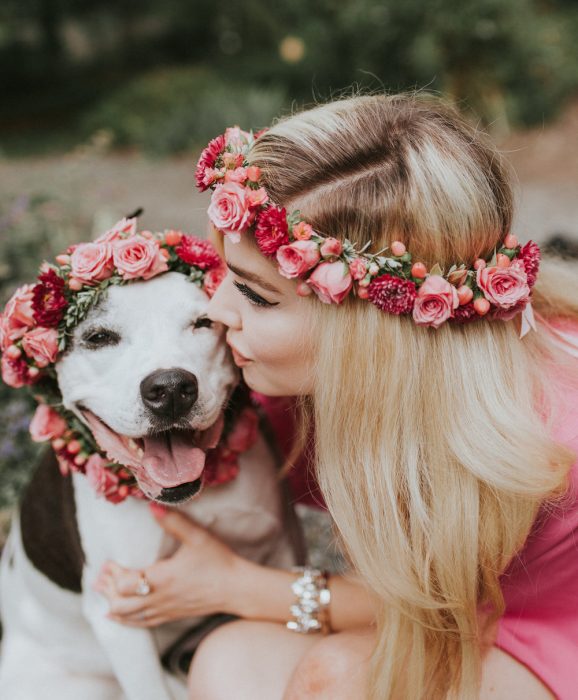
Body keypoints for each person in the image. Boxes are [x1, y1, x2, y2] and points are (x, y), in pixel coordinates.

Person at [95, 94, 578, 699]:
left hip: (546, 634)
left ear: (372, 327)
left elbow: (444, 606)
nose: (217, 312)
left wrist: (236, 587)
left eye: (259, 297)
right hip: (451, 614)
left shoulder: (542, 436)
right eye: (226, 276)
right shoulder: (280, 376)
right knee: (229, 661)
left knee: (335, 679)